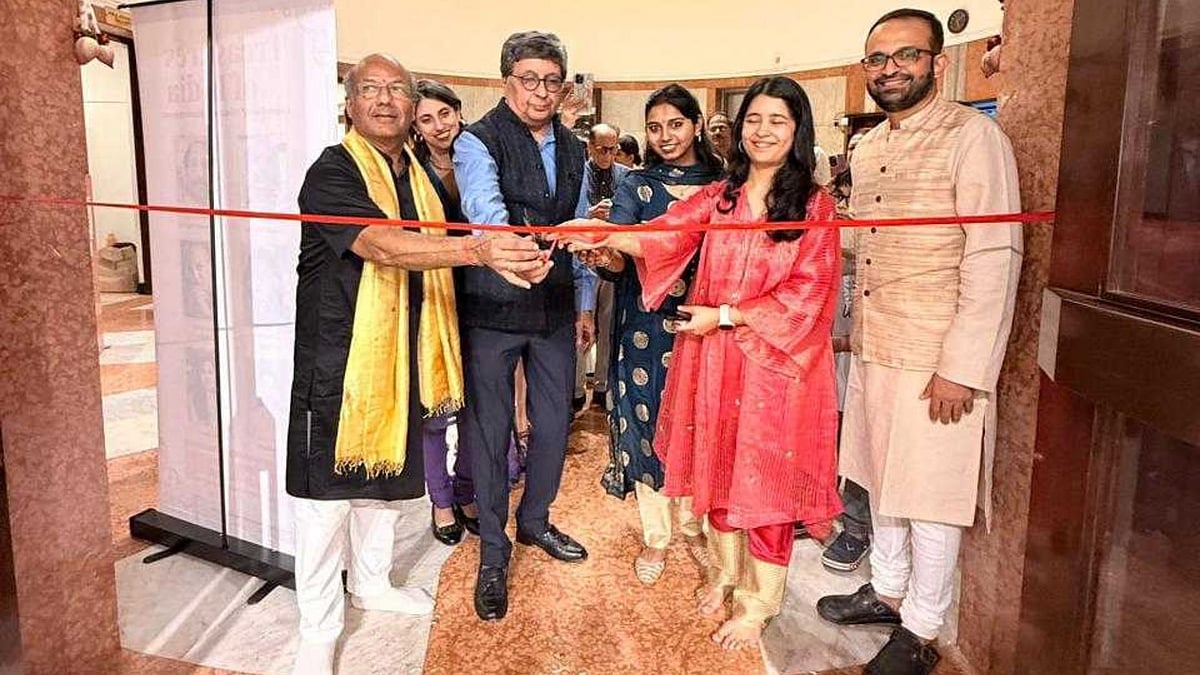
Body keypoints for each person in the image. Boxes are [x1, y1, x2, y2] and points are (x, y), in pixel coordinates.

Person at [559, 76, 843, 649]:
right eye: (754, 119)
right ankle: (725, 574)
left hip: (774, 370)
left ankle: (759, 602)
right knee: (717, 466)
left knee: (763, 482)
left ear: (798, 131)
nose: (762, 131)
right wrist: (597, 229)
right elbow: (661, 235)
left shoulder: (815, 206)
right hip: (715, 362)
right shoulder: (723, 196)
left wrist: (729, 315)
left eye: (777, 121)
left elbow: (809, 294)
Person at [286, 54, 548, 675]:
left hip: (401, 355)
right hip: (338, 359)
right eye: (370, 89)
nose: (384, 100)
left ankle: (371, 585)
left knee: (380, 490)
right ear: (350, 104)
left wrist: (506, 252)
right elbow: (380, 243)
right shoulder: (333, 170)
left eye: (396, 89)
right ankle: (317, 631)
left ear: (412, 103)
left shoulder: (424, 179)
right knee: (325, 503)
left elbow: (455, 246)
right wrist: (479, 249)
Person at [814, 10, 1023, 675]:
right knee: (883, 480)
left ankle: (924, 628)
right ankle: (888, 588)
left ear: (936, 62)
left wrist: (963, 367)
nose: (890, 69)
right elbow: (866, 241)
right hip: (879, 344)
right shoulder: (871, 145)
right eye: (877, 59)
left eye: (906, 55)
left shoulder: (974, 137)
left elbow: (995, 254)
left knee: (931, 494)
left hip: (938, 357)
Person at [452, 30, 596, 622]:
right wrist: (517, 248)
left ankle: (535, 521)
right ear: (506, 81)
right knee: (489, 432)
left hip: (556, 310)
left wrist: (585, 300)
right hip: (492, 309)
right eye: (529, 80)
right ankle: (492, 549)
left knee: (555, 422)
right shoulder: (476, 141)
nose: (541, 92)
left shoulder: (576, 148)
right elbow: (484, 213)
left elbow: (583, 227)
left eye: (552, 81)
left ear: (564, 87)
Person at [580, 84, 724, 586]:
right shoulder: (636, 186)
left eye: (676, 125)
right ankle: (656, 536)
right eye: (655, 127)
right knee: (648, 420)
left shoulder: (726, 186)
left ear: (698, 126)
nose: (665, 136)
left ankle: (696, 526)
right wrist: (604, 254)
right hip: (644, 325)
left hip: (709, 324)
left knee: (700, 423)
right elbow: (619, 255)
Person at [411, 78, 476, 546]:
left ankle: (468, 488)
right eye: (426, 119)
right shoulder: (409, 171)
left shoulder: (482, 158)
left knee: (478, 403)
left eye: (445, 115)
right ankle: (440, 499)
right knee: (435, 410)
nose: (439, 127)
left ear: (459, 112)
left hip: (481, 293)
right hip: (432, 297)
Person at [572, 123, 630, 413]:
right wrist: (588, 215)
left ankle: (603, 385)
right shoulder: (577, 172)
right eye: (603, 149)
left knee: (608, 324)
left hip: (612, 258)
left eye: (613, 149)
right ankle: (575, 388)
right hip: (580, 259)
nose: (608, 154)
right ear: (590, 147)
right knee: (581, 324)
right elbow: (570, 213)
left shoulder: (626, 176)